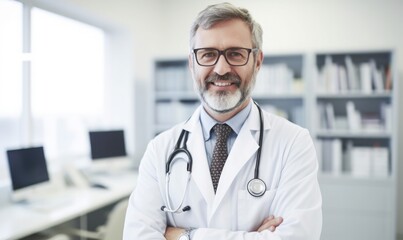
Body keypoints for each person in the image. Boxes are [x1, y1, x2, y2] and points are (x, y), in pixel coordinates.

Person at [123, 2, 322, 240]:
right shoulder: (160, 149)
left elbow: (299, 237)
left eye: (235, 54)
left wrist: (183, 235)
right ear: (191, 63)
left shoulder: (294, 143)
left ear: (257, 61)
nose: (221, 68)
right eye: (207, 54)